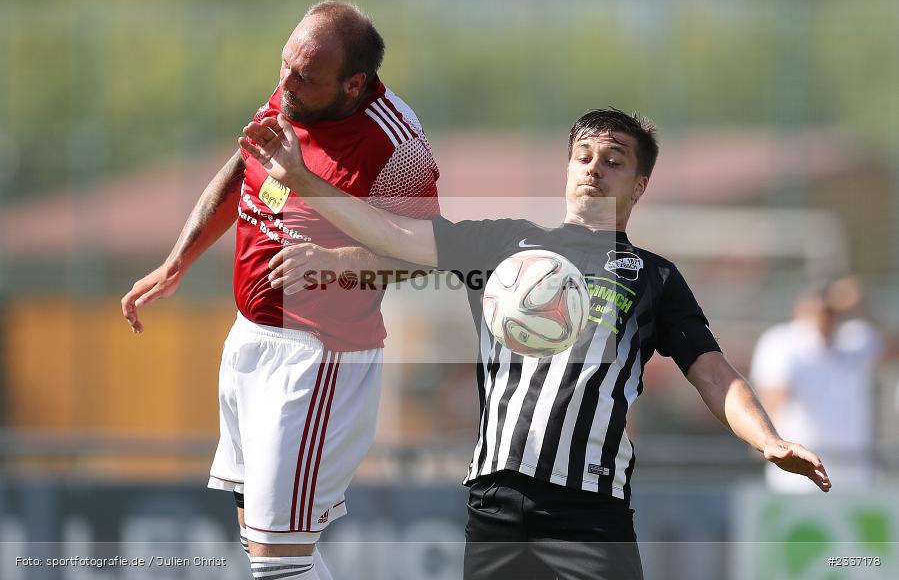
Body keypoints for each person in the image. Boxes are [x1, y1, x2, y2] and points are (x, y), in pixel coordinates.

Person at [239, 107, 830, 580]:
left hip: (590, 510)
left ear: (639, 184)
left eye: (614, 161)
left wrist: (768, 440)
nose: (593, 169)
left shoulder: (653, 277)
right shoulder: (507, 244)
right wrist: (302, 183)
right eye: (583, 156)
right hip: (495, 500)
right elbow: (397, 236)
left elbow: (713, 373)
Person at [121, 1, 440, 580]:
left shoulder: (396, 146)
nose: (286, 83)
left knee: (279, 562)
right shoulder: (296, 92)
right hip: (250, 339)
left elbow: (426, 253)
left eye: (306, 76)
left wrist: (332, 261)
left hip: (318, 361)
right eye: (286, 66)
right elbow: (246, 165)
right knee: (268, 549)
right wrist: (178, 261)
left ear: (355, 83)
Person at [751, 277, 887, 493]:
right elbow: (772, 396)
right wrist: (763, 439)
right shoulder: (782, 342)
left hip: (855, 473)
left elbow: (892, 348)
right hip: (797, 475)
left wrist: (863, 307)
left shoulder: (858, 338)